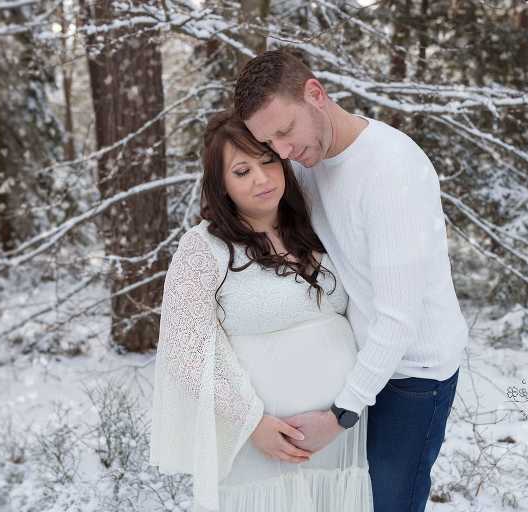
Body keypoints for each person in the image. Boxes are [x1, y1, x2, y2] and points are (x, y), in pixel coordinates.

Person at [234, 49, 469, 512]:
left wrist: (341, 414)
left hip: (413, 375)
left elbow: (399, 320)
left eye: (285, 132)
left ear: (316, 94)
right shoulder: (304, 164)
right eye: (269, 142)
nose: (282, 153)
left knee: (388, 505)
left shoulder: (391, 170)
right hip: (358, 366)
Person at [149, 111, 373, 512]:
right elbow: (186, 353)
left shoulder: (316, 230)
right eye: (242, 171)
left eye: (268, 161)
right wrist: (250, 422)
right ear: (222, 186)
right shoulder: (203, 250)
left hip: (339, 442)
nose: (262, 178)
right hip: (260, 446)